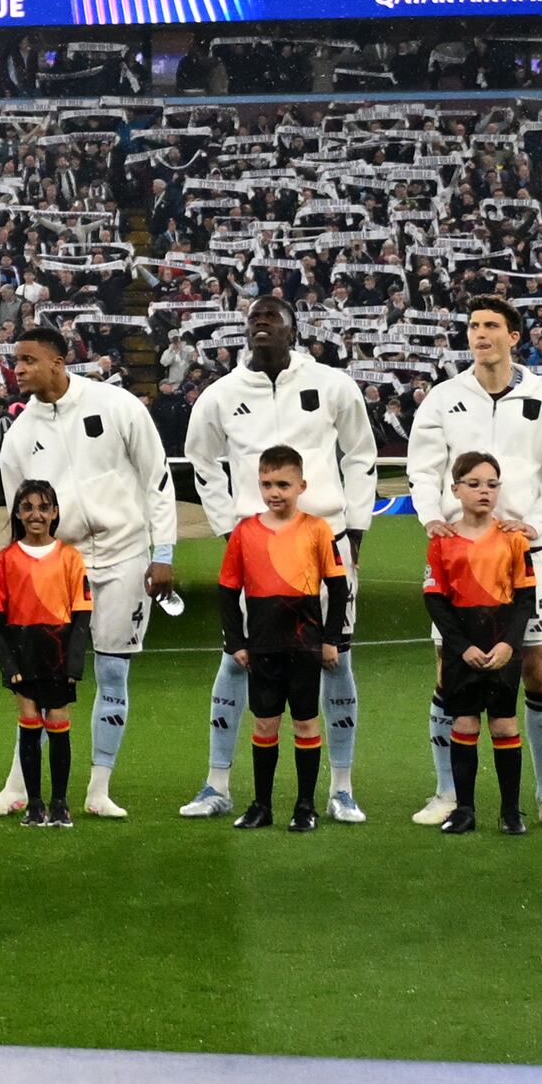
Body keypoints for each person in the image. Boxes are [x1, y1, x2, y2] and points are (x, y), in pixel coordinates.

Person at [180, 298, 379, 824]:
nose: (261, 323)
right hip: (259, 545)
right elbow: (201, 459)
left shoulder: (333, 385)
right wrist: (229, 528)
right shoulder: (221, 395)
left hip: (325, 538)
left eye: (273, 317)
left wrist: (356, 526)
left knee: (337, 658)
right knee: (238, 657)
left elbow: (361, 454)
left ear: (294, 330)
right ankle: (217, 783)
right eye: (254, 318)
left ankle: (342, 788)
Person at [409, 299, 542, 827]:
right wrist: (430, 518)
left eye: (490, 326)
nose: (479, 334)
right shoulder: (444, 398)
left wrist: (538, 524)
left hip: (521, 551)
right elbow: (421, 468)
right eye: (472, 326)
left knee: (538, 666)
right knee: (450, 667)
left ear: (515, 336)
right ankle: (446, 792)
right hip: (457, 553)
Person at [0, 322, 164, 822]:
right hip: (58, 565)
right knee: (37, 679)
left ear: (57, 362)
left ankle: (99, 788)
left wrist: (166, 551)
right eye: (16, 361)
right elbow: (17, 516)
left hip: (124, 554)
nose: (19, 369)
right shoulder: (20, 434)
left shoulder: (116, 406)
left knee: (113, 670)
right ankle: (19, 788)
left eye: (28, 360)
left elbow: (156, 478)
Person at [219, 445, 344, 831]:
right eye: (267, 484)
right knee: (264, 725)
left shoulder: (317, 529)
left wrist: (330, 639)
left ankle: (305, 806)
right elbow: (227, 590)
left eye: (283, 485)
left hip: (305, 644)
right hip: (262, 645)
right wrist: (237, 642)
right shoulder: (245, 532)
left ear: (301, 485)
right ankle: (262, 805)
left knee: (306, 724)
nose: (275, 492)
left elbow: (337, 589)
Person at [420, 452, 539, 838]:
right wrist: (460, 647)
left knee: (504, 725)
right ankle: (464, 809)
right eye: (473, 484)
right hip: (463, 646)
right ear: (455, 490)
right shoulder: (443, 541)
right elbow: (435, 599)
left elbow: (525, 600)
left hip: (501, 642)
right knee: (465, 721)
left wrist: (508, 645)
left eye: (491, 484)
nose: (484, 491)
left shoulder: (513, 539)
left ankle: (510, 811)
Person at [0, 478, 92, 830]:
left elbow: (82, 614)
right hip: (23, 652)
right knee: (29, 725)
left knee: (58, 725)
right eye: (28, 507)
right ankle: (34, 803)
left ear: (55, 513)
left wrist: (74, 662)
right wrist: (8, 665)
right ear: (17, 513)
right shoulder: (5, 560)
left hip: (57, 651)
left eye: (43, 507)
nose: (36, 514)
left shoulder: (70, 557)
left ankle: (60, 803)